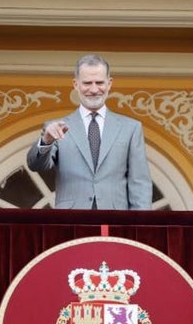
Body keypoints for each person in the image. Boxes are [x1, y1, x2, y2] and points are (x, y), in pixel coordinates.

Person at [26, 54, 152, 210]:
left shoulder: (131, 128)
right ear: (76, 84)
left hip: (116, 220)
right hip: (71, 220)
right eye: (87, 83)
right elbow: (36, 165)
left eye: (99, 82)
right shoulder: (56, 127)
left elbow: (139, 183)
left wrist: (139, 225)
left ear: (109, 83)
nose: (94, 89)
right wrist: (46, 140)